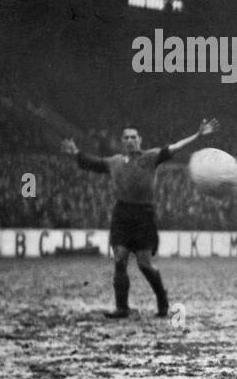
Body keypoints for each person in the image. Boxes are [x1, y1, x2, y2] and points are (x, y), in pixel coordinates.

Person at [61, 119, 218, 318]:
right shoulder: (115, 161)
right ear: (121, 141)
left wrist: (197, 135)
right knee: (119, 259)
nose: (130, 140)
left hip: (144, 216)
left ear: (139, 140)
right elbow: (93, 163)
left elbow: (174, 148)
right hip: (122, 215)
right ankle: (122, 308)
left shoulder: (151, 157)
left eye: (133, 137)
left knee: (144, 265)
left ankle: (162, 301)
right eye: (126, 137)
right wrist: (76, 153)